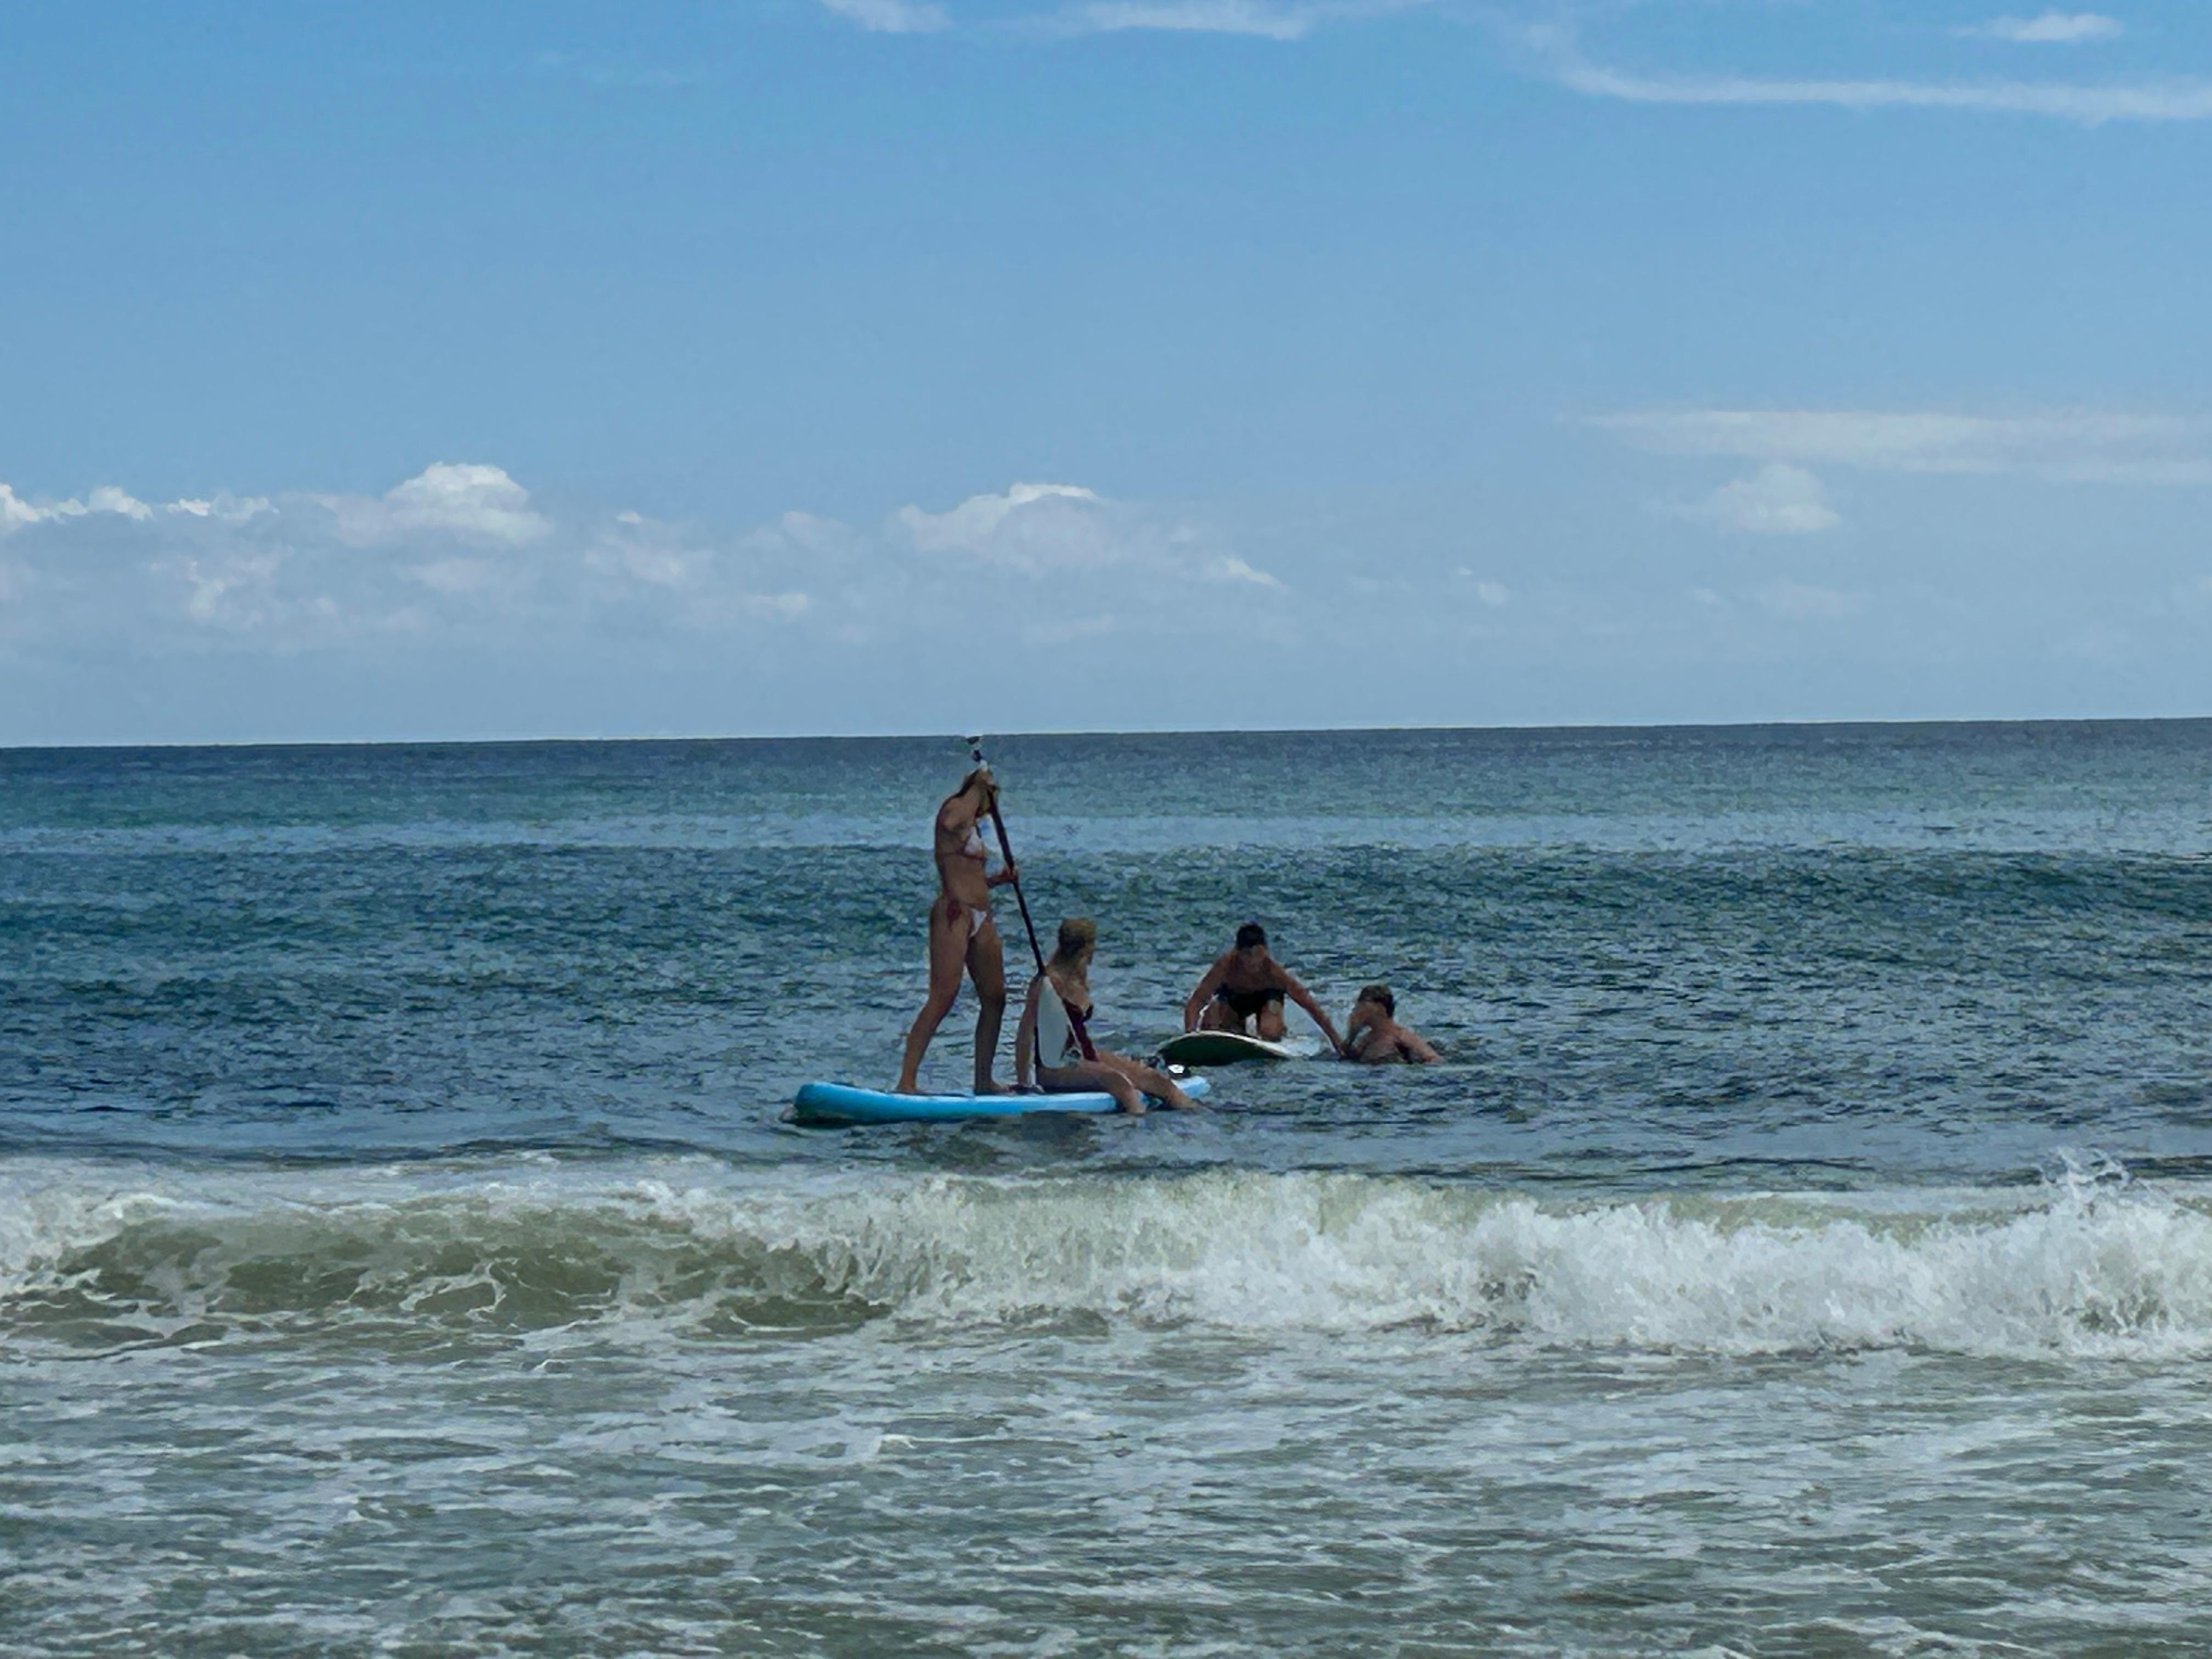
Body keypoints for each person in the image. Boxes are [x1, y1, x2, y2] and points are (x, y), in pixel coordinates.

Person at [895, 764, 1022, 1094]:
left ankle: (984, 1081)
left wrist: (999, 879)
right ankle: (907, 1081)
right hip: (954, 914)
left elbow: (972, 875)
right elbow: (952, 824)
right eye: (989, 801)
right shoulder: (954, 809)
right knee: (942, 997)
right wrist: (980, 786)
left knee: (996, 998)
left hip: (982, 914)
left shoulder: (973, 824)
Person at [1017, 918, 1199, 1114]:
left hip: (1085, 1056)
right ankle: (1137, 1130)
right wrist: (1024, 1084)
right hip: (1054, 1068)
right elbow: (1025, 1035)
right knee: (1120, 1082)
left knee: (1155, 1079)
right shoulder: (1047, 984)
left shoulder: (1078, 974)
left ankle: (1196, 1116)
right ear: (1086, 948)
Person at [1183, 922, 1345, 1055]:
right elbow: (1197, 1000)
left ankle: (1279, 1030)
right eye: (1247, 954)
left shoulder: (1274, 972)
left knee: (1270, 1032)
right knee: (1212, 1025)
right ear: (1237, 952)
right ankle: (1239, 1029)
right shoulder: (1225, 966)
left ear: (1265, 951)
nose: (1253, 961)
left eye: (1258, 954)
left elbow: (1310, 1005)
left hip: (1267, 998)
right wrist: (1190, 1034)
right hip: (1234, 997)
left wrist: (1336, 1041)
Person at [1342, 984, 1441, 1064]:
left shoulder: (1400, 1036)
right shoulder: (1366, 1040)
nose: (1356, 1010)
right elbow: (1348, 1058)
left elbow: (1434, 1059)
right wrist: (1352, 1034)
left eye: (1362, 1005)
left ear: (1379, 1007)